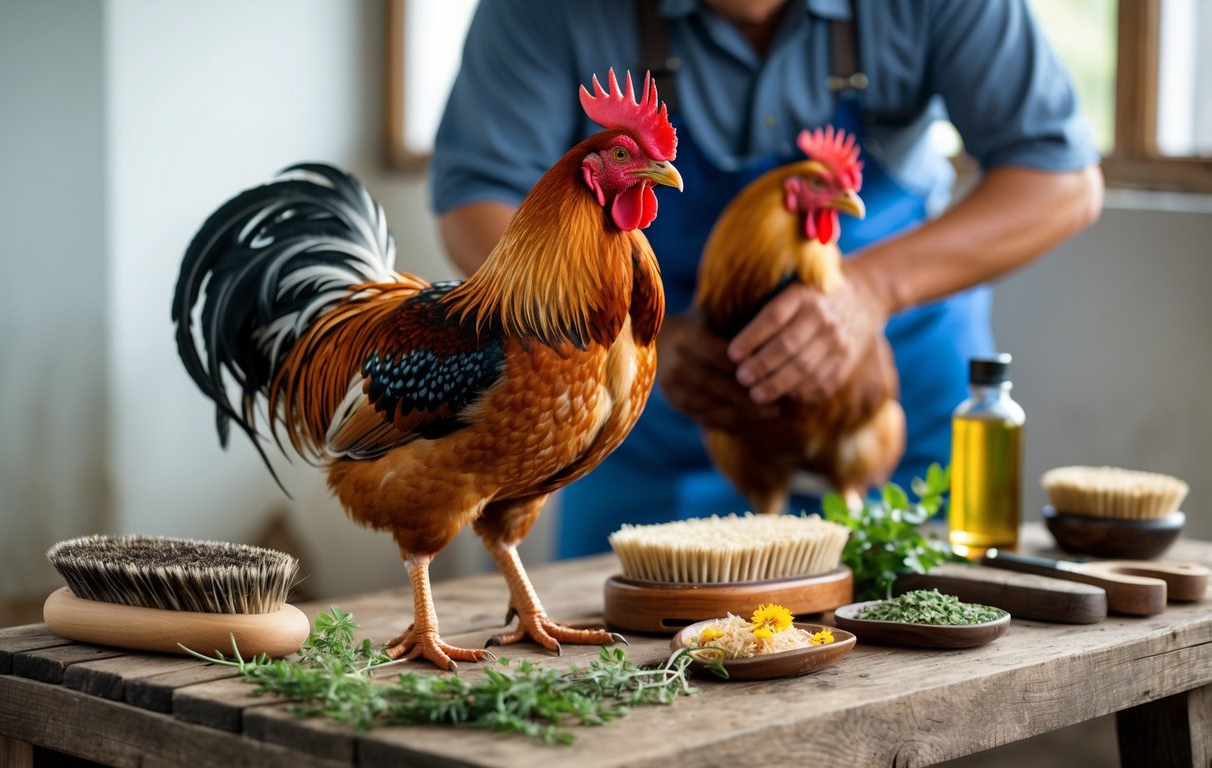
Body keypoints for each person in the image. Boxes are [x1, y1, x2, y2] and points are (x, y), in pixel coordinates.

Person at [430, 0, 1104, 559]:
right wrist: (625, 334)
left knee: (928, 652)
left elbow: (1062, 180)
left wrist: (869, 291)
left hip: (894, 403)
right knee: (627, 676)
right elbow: (475, 198)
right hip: (652, 423)